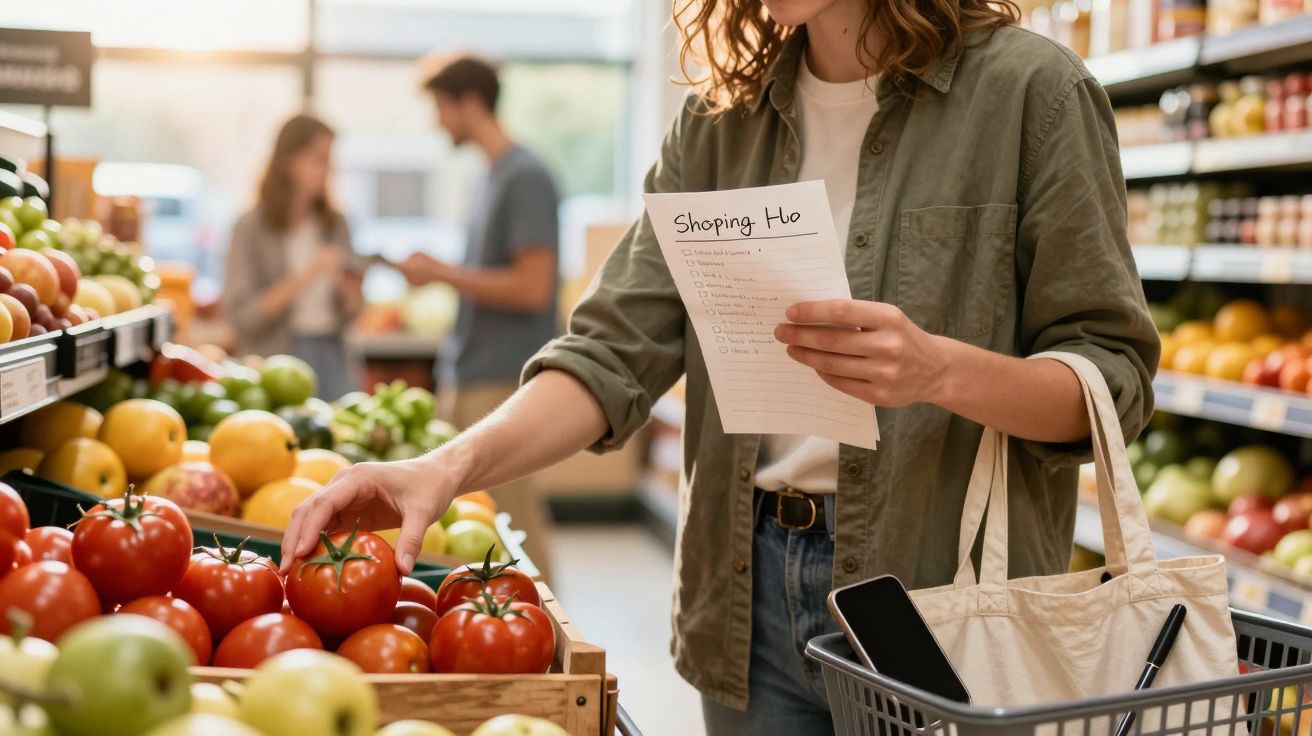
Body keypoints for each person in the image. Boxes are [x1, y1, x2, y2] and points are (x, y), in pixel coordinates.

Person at [282, 0, 1160, 731]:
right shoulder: (718, 125)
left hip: (938, 598)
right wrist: (445, 467)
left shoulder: (1031, 95)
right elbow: (610, 352)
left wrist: (940, 372)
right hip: (746, 596)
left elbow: (1112, 384)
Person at [397, 55, 561, 580]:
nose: (437, 122)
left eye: (441, 108)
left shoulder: (525, 176)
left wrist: (443, 273)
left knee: (515, 527)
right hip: (476, 369)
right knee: (484, 520)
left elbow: (533, 287)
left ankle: (557, 649)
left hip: (504, 377)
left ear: (469, 102)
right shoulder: (493, 176)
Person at [223, 114, 362, 400]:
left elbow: (354, 312)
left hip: (333, 355)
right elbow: (243, 316)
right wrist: (309, 274)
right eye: (318, 159)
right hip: (277, 359)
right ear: (288, 160)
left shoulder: (336, 224)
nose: (328, 169)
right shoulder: (250, 227)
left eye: (330, 160)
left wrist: (348, 289)